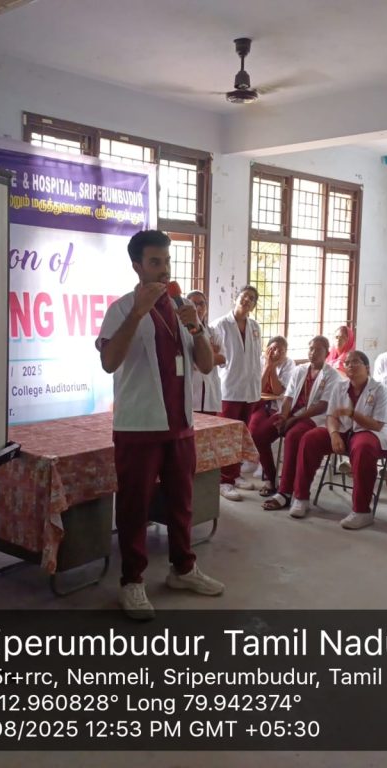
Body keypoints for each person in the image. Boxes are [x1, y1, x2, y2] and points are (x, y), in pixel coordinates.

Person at [97, 230, 222, 619]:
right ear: (137, 266)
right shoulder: (121, 308)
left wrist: (197, 327)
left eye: (167, 261)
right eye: (155, 262)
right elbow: (109, 362)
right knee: (135, 506)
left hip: (180, 424)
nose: (164, 269)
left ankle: (183, 569)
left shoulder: (182, 308)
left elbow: (205, 365)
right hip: (139, 425)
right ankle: (132, 582)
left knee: (182, 502)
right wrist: (137, 313)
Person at [282, 351, 387, 529]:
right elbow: (331, 416)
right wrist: (334, 434)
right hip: (343, 429)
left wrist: (351, 413)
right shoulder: (340, 387)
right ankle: (301, 497)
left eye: (355, 362)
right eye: (347, 362)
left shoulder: (381, 390)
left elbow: (377, 425)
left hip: (371, 432)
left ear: (367, 368)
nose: (350, 365)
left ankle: (362, 511)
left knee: (362, 448)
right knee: (310, 439)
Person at [259, 336, 341, 505]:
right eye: (311, 349)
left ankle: (285, 492)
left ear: (327, 353)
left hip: (312, 417)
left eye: (318, 350)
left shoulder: (333, 375)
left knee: (293, 437)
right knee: (259, 436)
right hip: (290, 413)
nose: (313, 353)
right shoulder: (300, 370)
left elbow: (322, 406)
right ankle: (272, 479)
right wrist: (284, 417)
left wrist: (294, 419)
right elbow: (288, 397)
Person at [248, 336, 320, 496]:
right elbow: (258, 388)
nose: (277, 353)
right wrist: (267, 365)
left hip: (279, 408)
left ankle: (280, 485)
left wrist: (272, 368)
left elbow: (278, 391)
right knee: (254, 434)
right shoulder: (260, 360)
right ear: (266, 349)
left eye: (281, 350)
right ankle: (269, 475)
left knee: (289, 437)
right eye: (273, 348)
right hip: (262, 405)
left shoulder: (290, 365)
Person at [212, 285, 263, 500]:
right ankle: (224, 480)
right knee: (227, 437)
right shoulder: (220, 325)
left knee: (241, 435)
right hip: (230, 390)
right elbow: (216, 356)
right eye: (244, 296)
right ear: (236, 298)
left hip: (250, 390)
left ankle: (234, 474)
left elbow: (256, 357)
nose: (247, 300)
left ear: (254, 304)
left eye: (252, 298)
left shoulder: (254, 326)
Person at [186, 290, 225, 414]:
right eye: (194, 304)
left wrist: (199, 357)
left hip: (210, 395)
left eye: (201, 304)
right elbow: (186, 360)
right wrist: (210, 352)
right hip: (190, 393)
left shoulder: (213, 332)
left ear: (206, 308)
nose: (198, 308)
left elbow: (223, 358)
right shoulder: (182, 332)